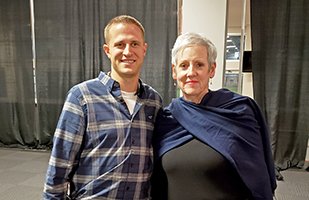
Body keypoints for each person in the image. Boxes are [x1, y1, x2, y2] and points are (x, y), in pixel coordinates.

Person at [43, 15, 162, 200]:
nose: (128, 51)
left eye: (135, 44)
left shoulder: (153, 101)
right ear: (107, 50)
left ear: (144, 49)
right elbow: (59, 167)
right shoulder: (81, 97)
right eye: (120, 44)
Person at [151, 32, 277, 200]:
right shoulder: (165, 120)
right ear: (175, 72)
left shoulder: (238, 112)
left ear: (212, 70)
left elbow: (257, 176)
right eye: (184, 65)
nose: (191, 72)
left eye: (199, 65)